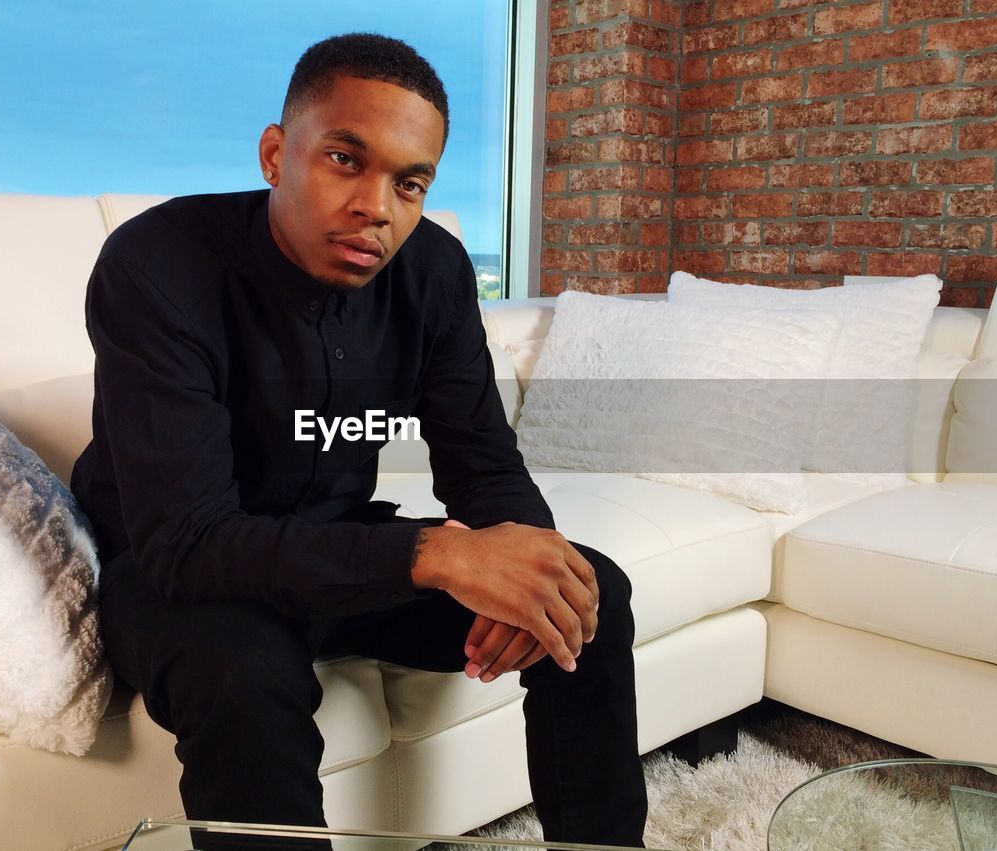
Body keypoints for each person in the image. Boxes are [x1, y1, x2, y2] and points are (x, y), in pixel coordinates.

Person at [70, 32, 647, 847]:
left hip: (338, 550)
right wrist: (439, 553)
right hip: (182, 577)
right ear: (276, 153)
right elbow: (187, 540)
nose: (377, 206)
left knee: (587, 592)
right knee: (239, 671)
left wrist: (525, 560)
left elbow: (481, 459)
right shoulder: (157, 265)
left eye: (409, 182)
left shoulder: (435, 272)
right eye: (346, 159)